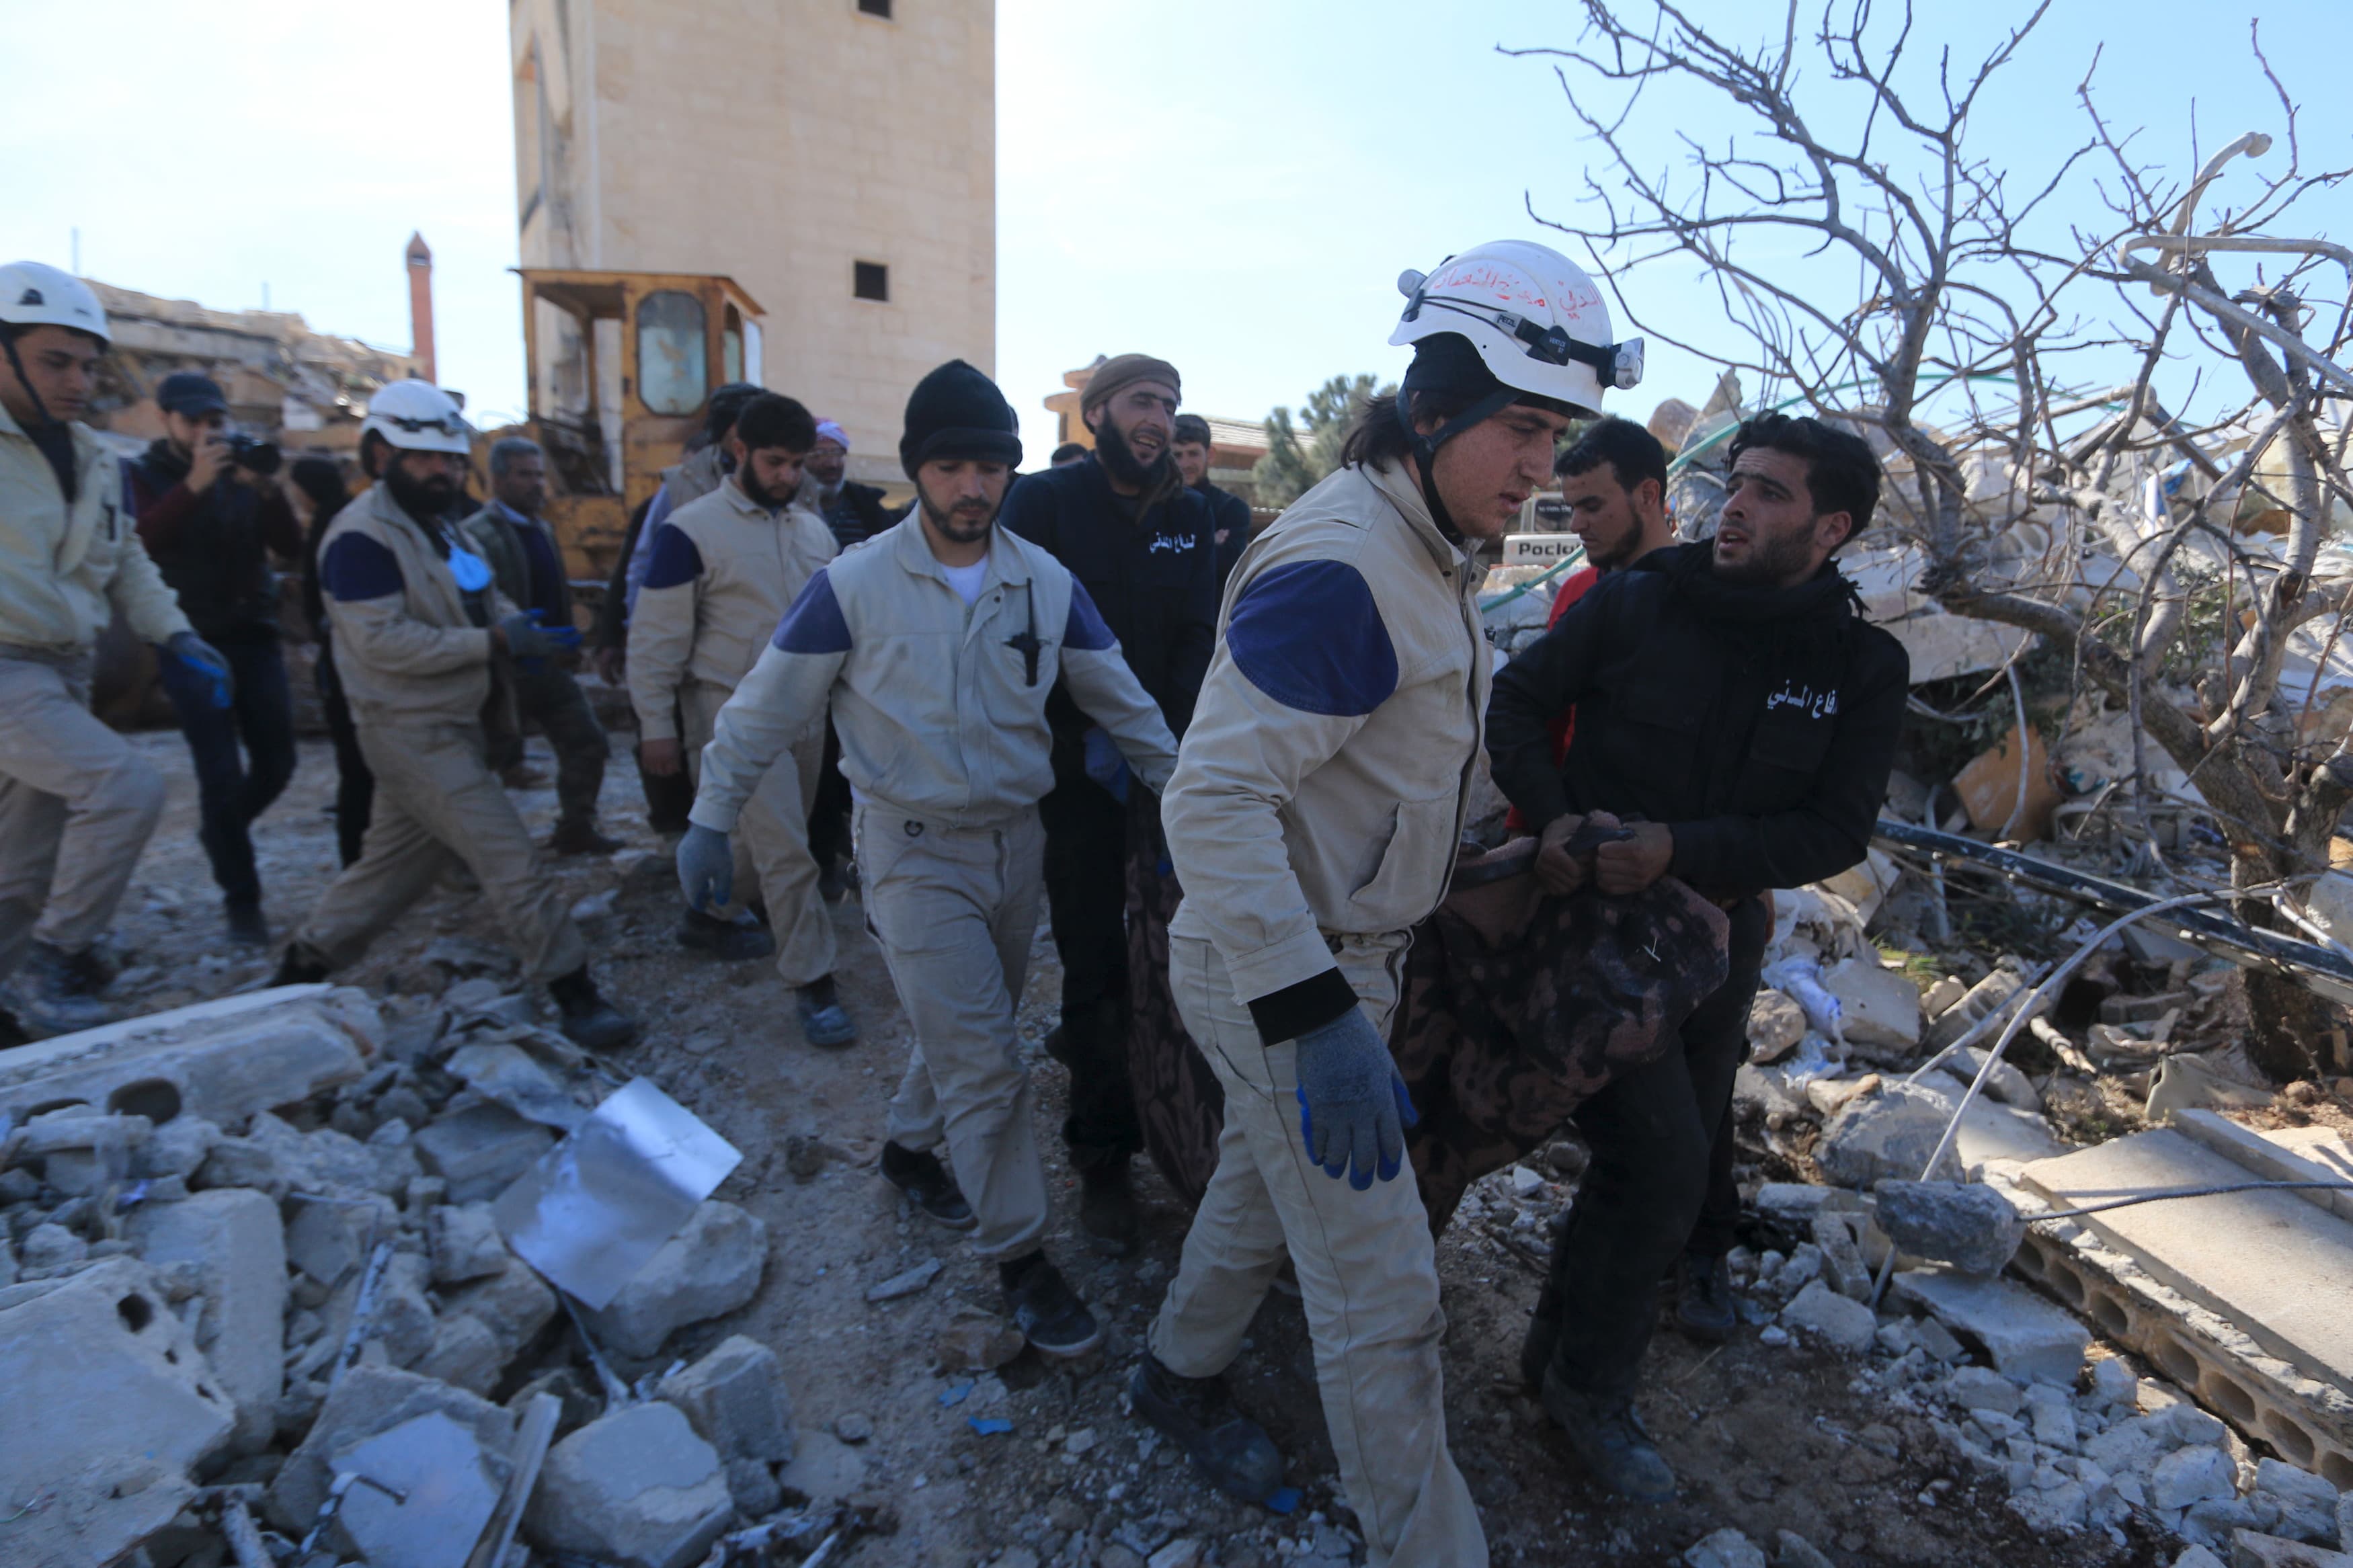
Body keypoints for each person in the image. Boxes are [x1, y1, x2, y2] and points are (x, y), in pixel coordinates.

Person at [1134, 241, 1624, 1567]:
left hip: (1338, 953)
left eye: (1558, 433)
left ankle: (1173, 1370)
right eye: (1521, 427)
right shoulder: (1349, 563)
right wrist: (1313, 1018)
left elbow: (1372, 764)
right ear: (1432, 408)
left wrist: (1457, 859)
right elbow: (1211, 804)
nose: (1540, 464)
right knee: (1385, 1291)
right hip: (1279, 968)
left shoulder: (1429, 548)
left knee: (1259, 1189)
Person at [678, 360, 1178, 1356]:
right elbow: (762, 709)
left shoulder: (1046, 582)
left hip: (1017, 846)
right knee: (987, 1059)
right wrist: (709, 816)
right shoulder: (852, 584)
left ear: (1011, 472)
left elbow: (1127, 707)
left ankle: (909, 1150)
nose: (971, 488)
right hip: (910, 853)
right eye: (950, 468)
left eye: (989, 468)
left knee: (967, 1028)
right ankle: (1021, 1257)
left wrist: (1195, 801)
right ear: (917, 471)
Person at [1486, 411, 1907, 1500]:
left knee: (1651, 1164)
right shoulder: (1638, 599)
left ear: (1831, 527)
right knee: (1666, 1160)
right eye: (1735, 482)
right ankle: (1593, 1393)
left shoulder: (1859, 663)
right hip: (1592, 925)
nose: (1735, 506)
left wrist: (1686, 850)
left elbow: (1834, 827)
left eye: (1770, 492)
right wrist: (1558, 815)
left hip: (1722, 941)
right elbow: (1519, 702)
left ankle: (1554, 1358)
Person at [272, 379, 636, 1052]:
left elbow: (485, 593)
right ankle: (573, 990)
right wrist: (492, 642)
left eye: (449, 459)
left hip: (459, 722)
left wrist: (517, 626)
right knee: (510, 857)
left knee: (389, 874)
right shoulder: (360, 538)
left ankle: (299, 969)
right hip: (410, 728)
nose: (440, 471)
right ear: (381, 455)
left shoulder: (440, 527)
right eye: (424, 458)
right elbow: (382, 642)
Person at [1000, 354, 1217, 1257]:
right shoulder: (1042, 505)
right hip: (1074, 776)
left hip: (1165, 774)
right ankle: (1101, 1156)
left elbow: (1200, 636)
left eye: (1168, 404)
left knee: (1175, 961)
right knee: (1094, 961)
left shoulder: (1189, 516)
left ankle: (1189, 1137)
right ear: (1095, 414)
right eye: (1140, 401)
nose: (1157, 417)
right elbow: (1010, 634)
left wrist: (1168, 745)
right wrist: (1080, 732)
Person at [0, 262, 229, 1037]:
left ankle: (10, 1010)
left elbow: (124, 554)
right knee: (125, 787)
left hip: (65, 668)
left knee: (22, 863)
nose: (79, 381)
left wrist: (176, 632)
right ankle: (56, 956)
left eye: (88, 364)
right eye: (54, 362)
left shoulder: (91, 453)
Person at [629, 393, 854, 1044]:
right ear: (739, 451)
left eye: (797, 464)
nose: (788, 476)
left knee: (762, 842)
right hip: (728, 711)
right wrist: (655, 725)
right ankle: (814, 983)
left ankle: (709, 912)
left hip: (804, 715)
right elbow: (655, 640)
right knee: (787, 849)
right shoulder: (690, 530)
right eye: (775, 462)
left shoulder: (812, 532)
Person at [120, 372, 303, 945]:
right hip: (190, 641)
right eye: (192, 421)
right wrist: (194, 486)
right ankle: (242, 901)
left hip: (253, 633)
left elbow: (291, 546)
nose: (205, 432)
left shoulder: (240, 470)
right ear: (166, 420)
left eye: (214, 421)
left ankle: (220, 832)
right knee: (219, 772)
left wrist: (267, 490)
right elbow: (139, 543)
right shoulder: (141, 474)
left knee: (278, 761)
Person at [595, 381, 763, 833]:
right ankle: (677, 836)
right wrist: (639, 634)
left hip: (752, 650)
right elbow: (641, 568)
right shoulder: (683, 486)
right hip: (687, 643)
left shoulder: (784, 481)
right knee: (674, 740)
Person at [462, 437, 621, 856]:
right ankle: (471, 853)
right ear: (498, 480)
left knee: (586, 741)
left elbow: (556, 593)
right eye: (524, 475)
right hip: (501, 670)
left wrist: (567, 644)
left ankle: (576, 827)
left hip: (546, 667)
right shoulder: (478, 535)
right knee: (482, 762)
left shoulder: (542, 529)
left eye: (539, 475)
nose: (536, 484)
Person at [294, 456, 372, 867]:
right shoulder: (350, 516)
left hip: (345, 657)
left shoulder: (334, 526)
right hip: (354, 655)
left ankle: (355, 861)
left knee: (355, 766)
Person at [1170, 412, 1251, 585]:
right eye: (1177, 455)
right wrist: (1208, 542)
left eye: (1193, 454)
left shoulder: (1232, 509)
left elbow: (1229, 565)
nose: (1185, 464)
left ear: (1210, 455)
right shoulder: (1152, 505)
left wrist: (1177, 548)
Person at [801, 419, 894, 549]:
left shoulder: (868, 508)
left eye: (837, 454)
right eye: (819, 454)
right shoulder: (786, 508)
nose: (832, 464)